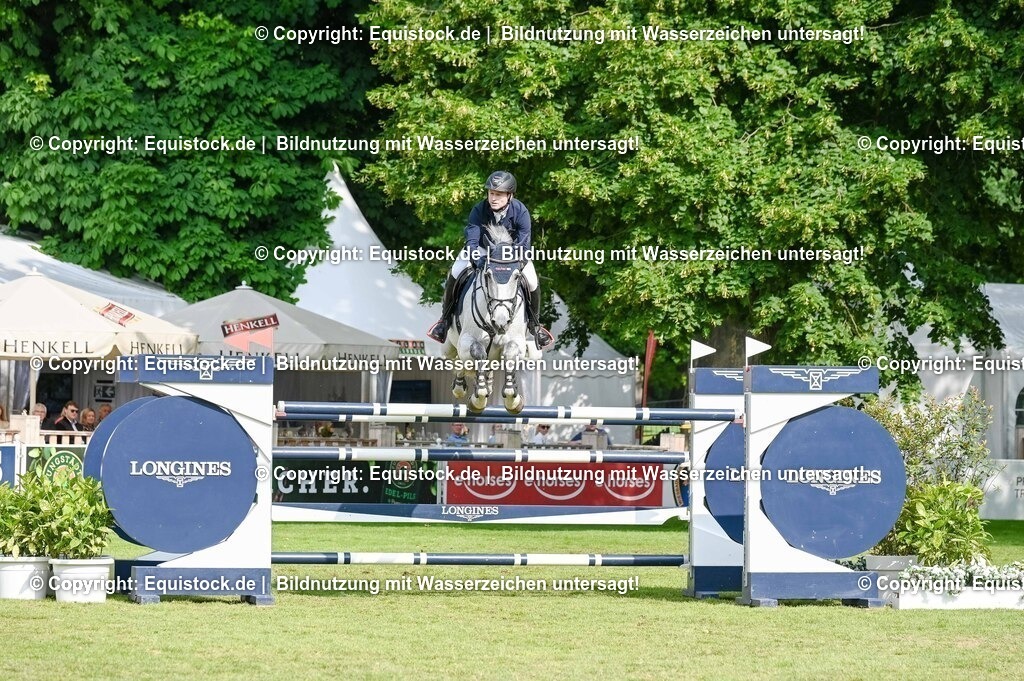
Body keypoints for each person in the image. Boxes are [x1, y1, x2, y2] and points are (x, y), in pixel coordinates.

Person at [427, 171, 554, 349]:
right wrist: (477, 259)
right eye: (491, 193)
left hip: (511, 254)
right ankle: (444, 321)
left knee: (532, 280)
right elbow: (472, 242)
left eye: (499, 194)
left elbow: (524, 246)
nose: (493, 198)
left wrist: (515, 262)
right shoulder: (478, 210)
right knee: (456, 272)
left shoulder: (521, 211)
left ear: (510, 195)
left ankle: (535, 325)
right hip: (482, 250)